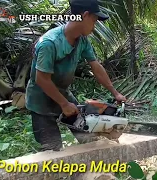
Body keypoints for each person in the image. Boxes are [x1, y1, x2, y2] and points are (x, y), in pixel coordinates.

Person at [25, 0, 127, 151]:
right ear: (85, 15)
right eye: (94, 21)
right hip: (41, 100)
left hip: (63, 93)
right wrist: (64, 104)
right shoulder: (49, 43)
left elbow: (96, 67)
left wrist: (115, 93)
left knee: (89, 138)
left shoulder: (82, 41)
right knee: (52, 149)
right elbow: (42, 79)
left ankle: (93, 173)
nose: (94, 27)